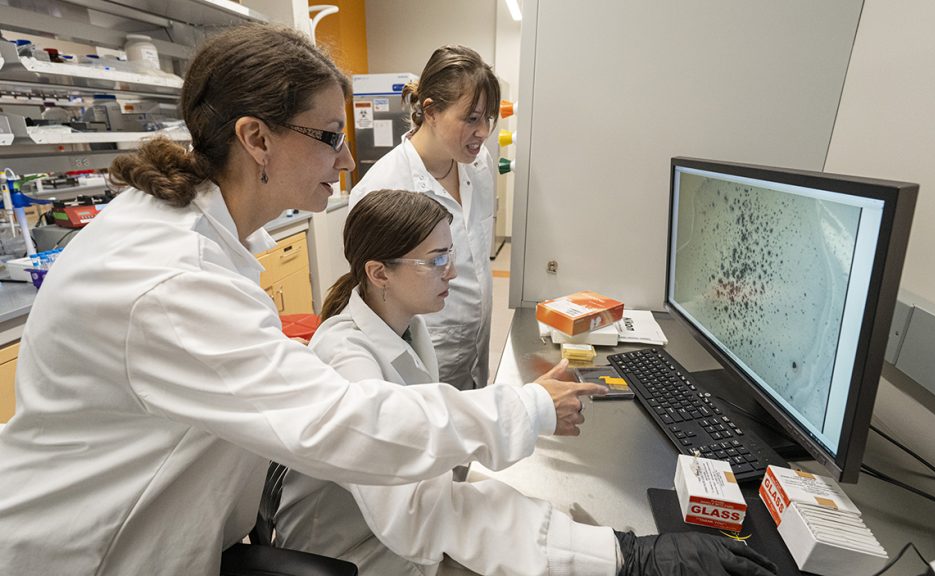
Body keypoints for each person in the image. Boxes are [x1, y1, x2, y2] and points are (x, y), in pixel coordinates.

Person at [0, 25, 605, 575]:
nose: (346, 160)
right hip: (90, 551)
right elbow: (336, 424)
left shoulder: (200, 238)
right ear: (256, 138)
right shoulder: (168, 278)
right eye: (328, 137)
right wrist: (527, 409)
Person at [272, 189, 778, 576]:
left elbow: (429, 422)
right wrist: (623, 555)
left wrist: (523, 409)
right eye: (436, 260)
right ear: (379, 273)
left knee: (548, 522)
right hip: (357, 553)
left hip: (394, 527)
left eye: (452, 253)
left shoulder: (405, 325)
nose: (454, 271)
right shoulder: (345, 356)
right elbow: (419, 510)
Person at [350, 44, 499, 391]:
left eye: (489, 117)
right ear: (430, 111)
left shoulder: (478, 165)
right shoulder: (384, 187)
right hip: (423, 355)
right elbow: (373, 299)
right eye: (472, 118)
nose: (483, 132)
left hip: (477, 345)